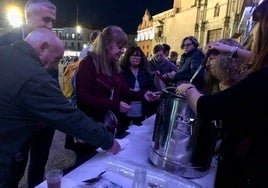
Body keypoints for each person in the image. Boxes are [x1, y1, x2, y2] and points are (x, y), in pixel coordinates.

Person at [0, 28, 120, 188]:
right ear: (42, 48)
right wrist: (107, 140)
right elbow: (68, 117)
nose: (55, 66)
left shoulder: (5, 53)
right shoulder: (34, 76)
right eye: (57, 59)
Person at [176, 1, 268, 186]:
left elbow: (206, 107)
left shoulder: (260, 79)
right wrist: (230, 49)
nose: (252, 32)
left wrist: (189, 89)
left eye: (257, 24)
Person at [73, 26, 158, 162]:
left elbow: (125, 92)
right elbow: (84, 98)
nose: (123, 50)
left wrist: (143, 94)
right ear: (107, 44)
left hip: (109, 129)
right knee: (87, 165)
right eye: (120, 46)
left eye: (123, 47)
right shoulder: (87, 65)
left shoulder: (114, 68)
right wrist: (115, 104)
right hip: (90, 129)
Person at [0, 0, 58, 187]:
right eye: (46, 20)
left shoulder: (52, 43)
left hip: (44, 123)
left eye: (53, 21)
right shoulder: (4, 44)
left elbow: (52, 82)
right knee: (13, 172)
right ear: (28, 17)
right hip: (18, 124)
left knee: (38, 167)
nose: (50, 26)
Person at [119, 45, 158, 128]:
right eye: (134, 55)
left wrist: (150, 93)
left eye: (138, 56)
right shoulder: (122, 71)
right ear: (128, 57)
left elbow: (152, 86)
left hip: (141, 108)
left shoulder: (144, 71)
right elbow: (121, 90)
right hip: (126, 108)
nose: (136, 58)